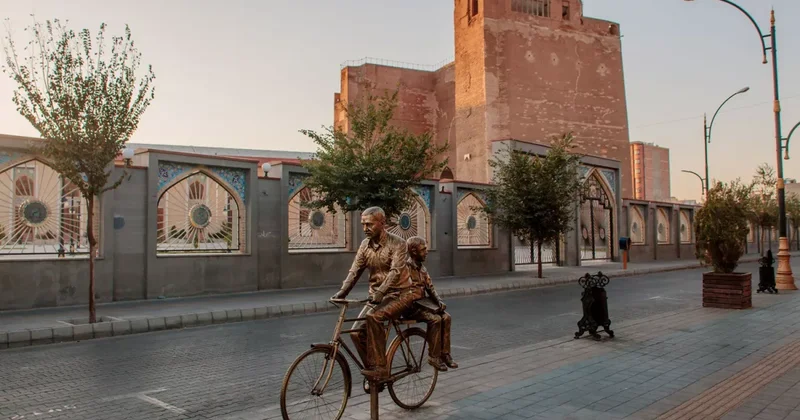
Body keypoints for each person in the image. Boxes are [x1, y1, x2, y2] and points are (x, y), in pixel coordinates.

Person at [331, 207, 419, 379]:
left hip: (400, 293)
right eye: (363, 224)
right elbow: (354, 271)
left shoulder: (398, 243)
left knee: (374, 318)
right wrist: (342, 292)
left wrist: (380, 292)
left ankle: (381, 368)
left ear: (382, 223)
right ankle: (373, 372)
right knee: (356, 332)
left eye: (369, 224)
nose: (365, 228)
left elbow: (395, 272)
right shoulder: (365, 245)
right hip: (377, 296)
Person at [404, 236, 458, 371]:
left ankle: (445, 354)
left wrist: (438, 302)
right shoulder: (405, 268)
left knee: (446, 317)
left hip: (422, 304)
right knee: (435, 320)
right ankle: (433, 356)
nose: (426, 252)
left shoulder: (422, 269)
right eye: (423, 250)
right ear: (414, 252)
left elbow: (430, 288)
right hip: (410, 306)